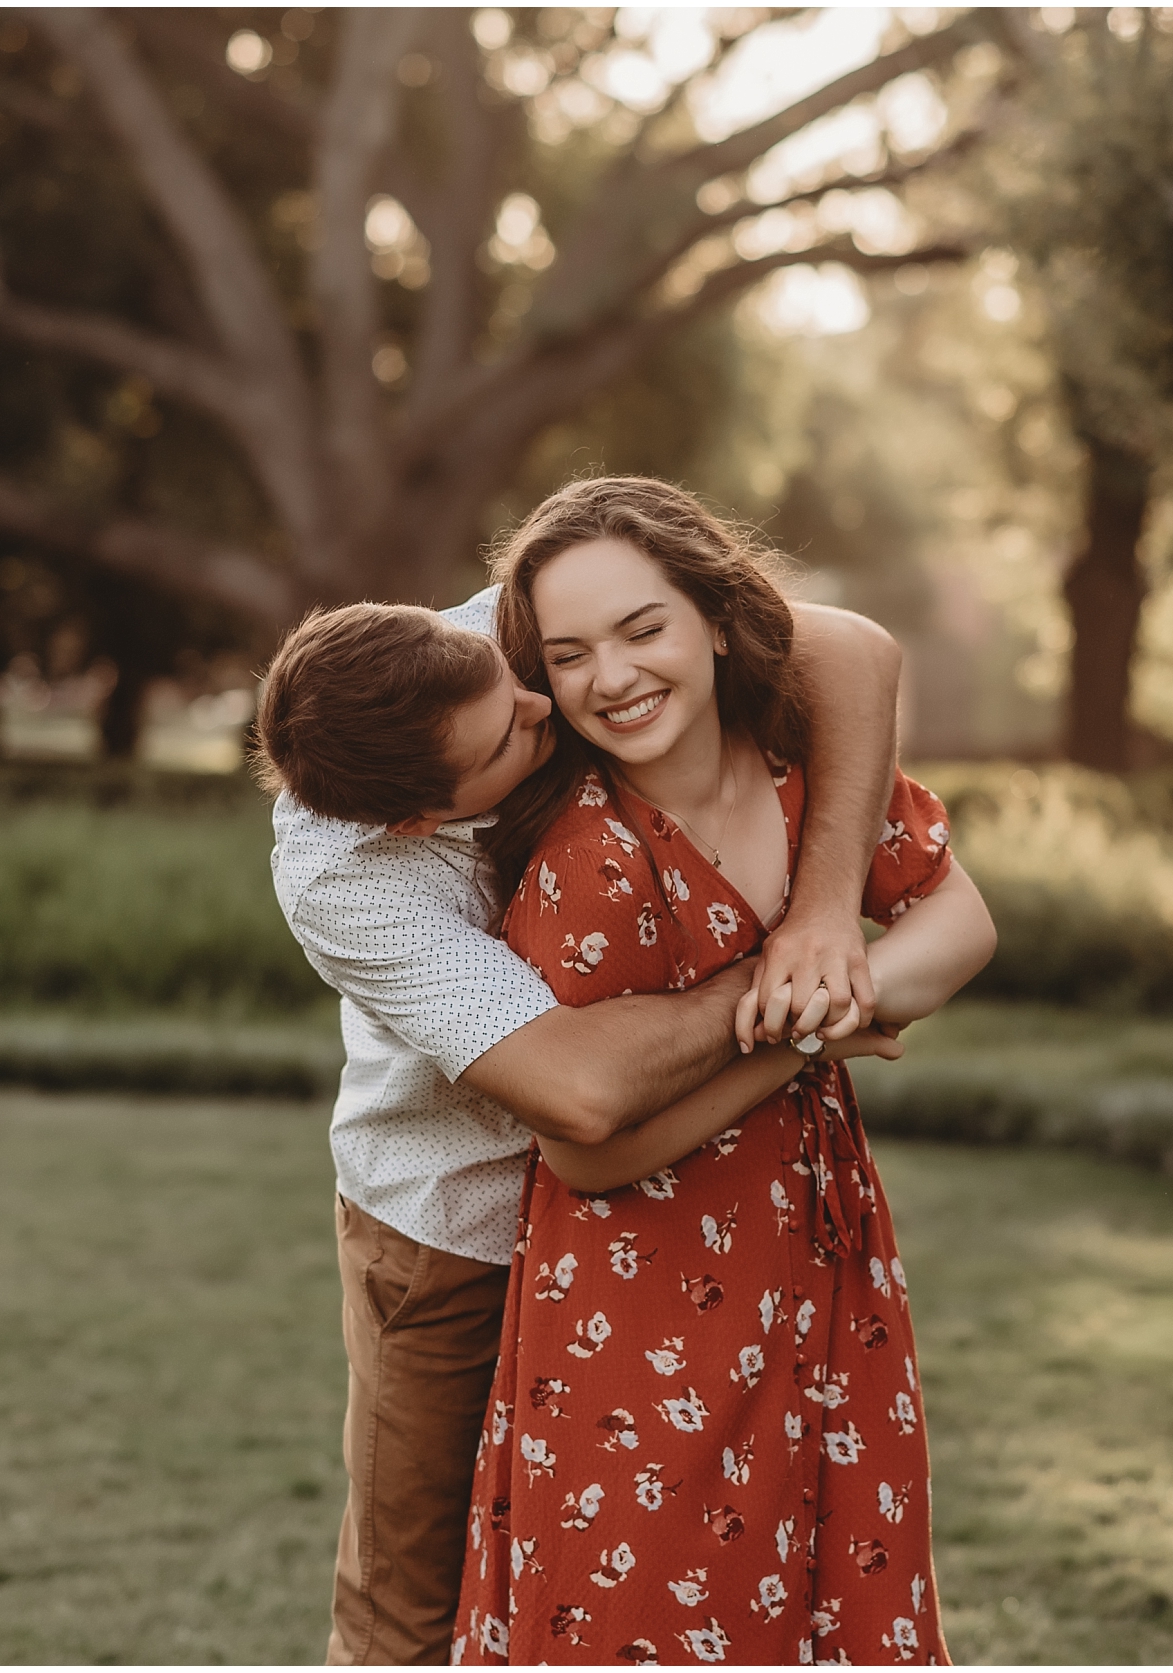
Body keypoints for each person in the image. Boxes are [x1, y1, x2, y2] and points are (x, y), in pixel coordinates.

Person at [255, 544, 909, 1664]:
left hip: (647, 1218)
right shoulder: (348, 879)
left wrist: (822, 915)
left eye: (512, 679)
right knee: (412, 1603)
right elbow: (580, 1090)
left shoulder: (496, 642)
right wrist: (785, 1002)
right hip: (454, 1228)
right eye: (504, 735)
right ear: (420, 819)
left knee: (639, 1560)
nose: (541, 704)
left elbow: (850, 647)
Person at [451, 478, 998, 1666]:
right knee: (653, 1619)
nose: (612, 675)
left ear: (714, 618)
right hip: (641, 1315)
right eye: (571, 652)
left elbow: (959, 923)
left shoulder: (808, 777)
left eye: (642, 628)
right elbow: (585, 1152)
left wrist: (844, 966)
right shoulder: (588, 866)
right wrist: (800, 1030)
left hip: (819, 1265)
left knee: (836, 1604)